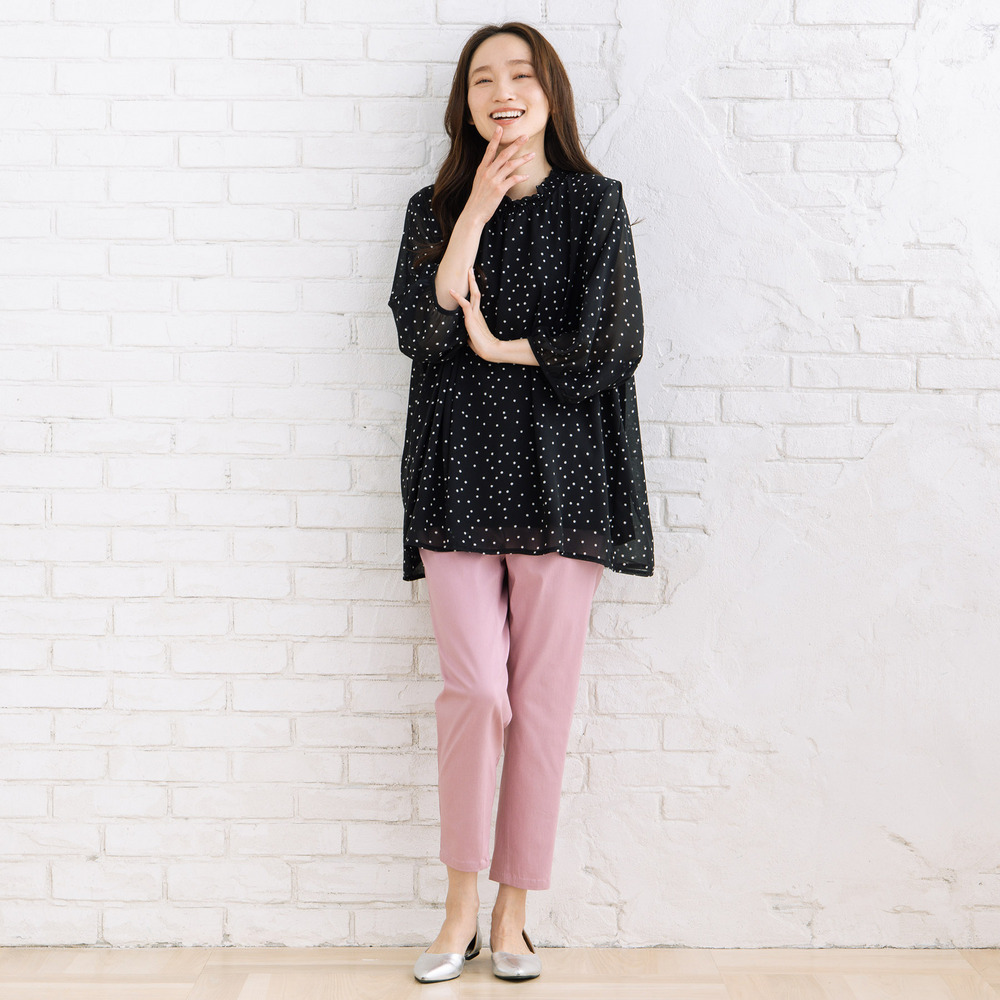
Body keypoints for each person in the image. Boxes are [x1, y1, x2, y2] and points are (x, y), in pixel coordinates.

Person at [386, 21, 654, 984]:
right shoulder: (432, 209)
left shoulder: (593, 203)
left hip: (563, 481)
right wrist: (473, 211)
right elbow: (422, 326)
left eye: (521, 75)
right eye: (483, 80)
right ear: (465, 103)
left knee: (541, 701)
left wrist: (507, 348)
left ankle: (513, 915)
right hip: (457, 476)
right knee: (475, 692)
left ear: (550, 93)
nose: (502, 92)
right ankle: (457, 908)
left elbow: (614, 341)